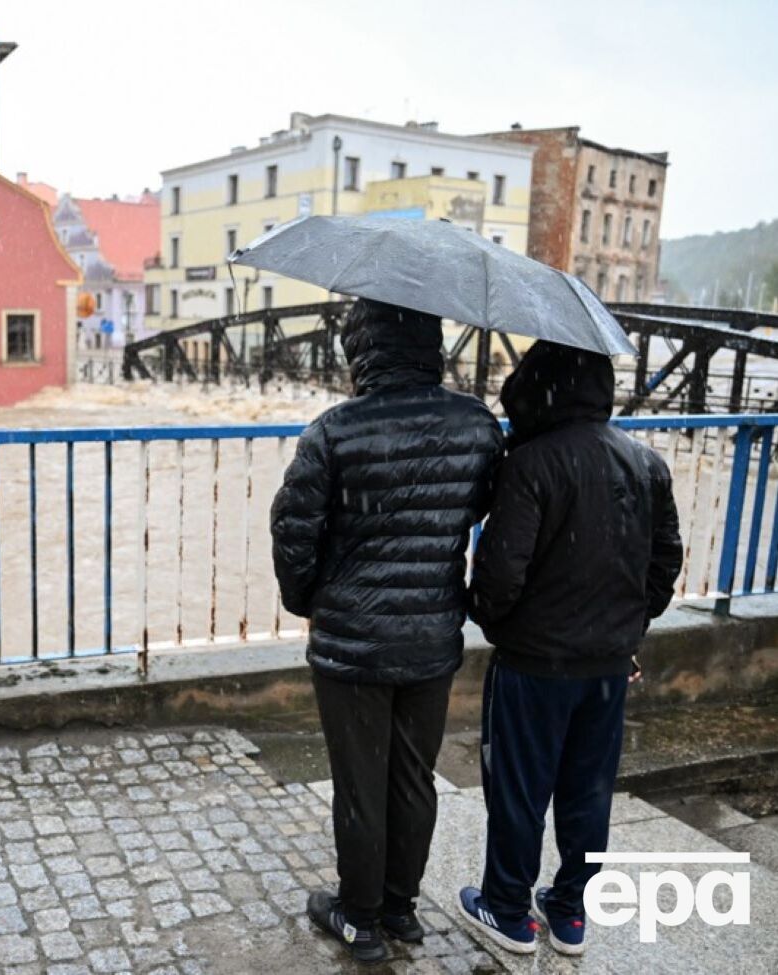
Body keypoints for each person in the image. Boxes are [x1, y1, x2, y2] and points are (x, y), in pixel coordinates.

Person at [270, 298, 504, 965]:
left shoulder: (334, 432)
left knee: (359, 780)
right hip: (431, 635)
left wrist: (310, 599)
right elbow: (487, 507)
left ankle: (359, 917)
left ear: (362, 347)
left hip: (352, 640)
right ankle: (402, 906)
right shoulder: (477, 428)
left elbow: (293, 531)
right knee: (413, 775)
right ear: (430, 344)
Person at [458, 341, 682, 956]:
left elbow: (500, 576)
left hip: (535, 665)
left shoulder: (530, 464)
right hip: (608, 665)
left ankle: (506, 908)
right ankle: (569, 912)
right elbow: (665, 564)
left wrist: (491, 620)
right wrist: (626, 631)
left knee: (519, 789)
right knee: (588, 792)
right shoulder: (646, 464)